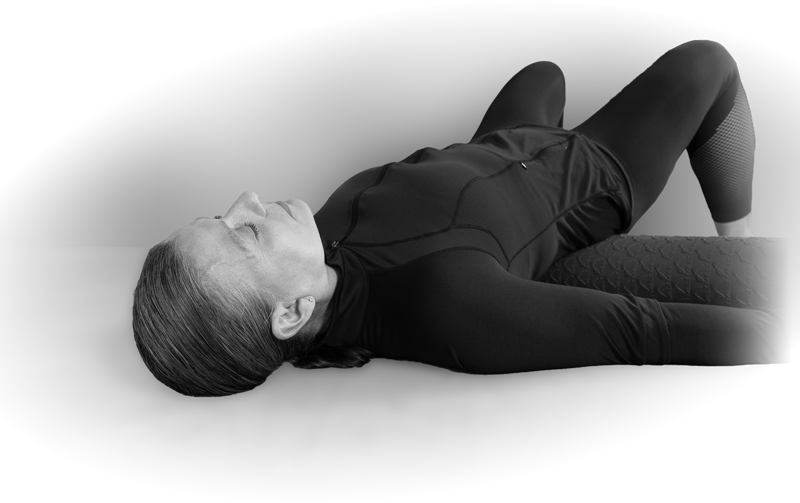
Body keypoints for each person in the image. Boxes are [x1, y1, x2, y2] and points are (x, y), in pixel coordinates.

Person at [133, 40, 794, 397]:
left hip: (499, 148)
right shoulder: (445, 302)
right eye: (244, 232)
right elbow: (639, 329)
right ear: (291, 312)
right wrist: (785, 332)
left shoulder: (317, 247)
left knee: (542, 72)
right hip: (591, 170)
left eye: (224, 214)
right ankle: (739, 237)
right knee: (708, 65)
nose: (248, 199)